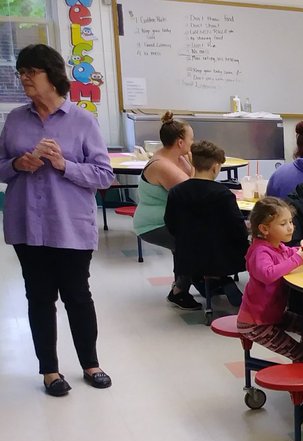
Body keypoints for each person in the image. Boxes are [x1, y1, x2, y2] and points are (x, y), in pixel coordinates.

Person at [2, 43, 115, 396]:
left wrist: (64, 165)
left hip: (70, 225)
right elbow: (1, 166)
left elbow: (103, 175)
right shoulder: (15, 119)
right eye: (20, 73)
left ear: (52, 76)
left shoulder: (82, 121)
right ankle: (49, 371)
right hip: (26, 224)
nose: (24, 79)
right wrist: (19, 164)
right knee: (38, 297)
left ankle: (90, 364)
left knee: (78, 296)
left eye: (30, 72)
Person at [163, 141, 248, 307]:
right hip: (222, 258)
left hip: (186, 257)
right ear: (216, 167)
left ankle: (192, 285)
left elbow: (170, 223)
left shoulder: (176, 192)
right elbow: (238, 229)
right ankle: (221, 279)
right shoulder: (223, 194)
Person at [237, 197, 303, 362]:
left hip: (274, 315)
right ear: (265, 229)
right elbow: (268, 274)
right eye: (283, 224)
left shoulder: (279, 247)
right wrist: (297, 259)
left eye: (291, 222)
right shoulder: (260, 251)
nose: (290, 228)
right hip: (255, 323)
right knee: (300, 353)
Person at [132, 111, 199, 309]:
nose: (192, 143)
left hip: (171, 220)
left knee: (192, 239)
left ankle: (196, 280)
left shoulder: (177, 157)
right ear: (180, 142)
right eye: (191, 139)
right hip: (153, 224)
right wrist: (195, 166)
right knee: (190, 244)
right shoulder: (161, 165)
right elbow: (191, 192)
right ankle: (179, 291)